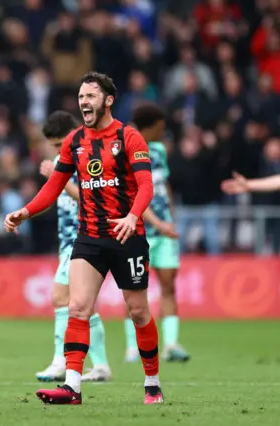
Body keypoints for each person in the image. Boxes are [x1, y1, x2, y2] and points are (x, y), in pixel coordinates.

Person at [5, 71, 163, 405]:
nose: (83, 102)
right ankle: (72, 387)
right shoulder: (74, 140)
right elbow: (54, 186)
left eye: (90, 96)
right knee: (78, 306)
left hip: (127, 236)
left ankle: (152, 382)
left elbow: (146, 185)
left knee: (138, 311)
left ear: (108, 100)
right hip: (89, 237)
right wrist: (26, 211)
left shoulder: (129, 137)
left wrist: (133, 216)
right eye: (80, 97)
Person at [36, 111, 112, 383]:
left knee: (60, 298)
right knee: (84, 307)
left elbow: (90, 198)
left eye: (59, 144)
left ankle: (60, 361)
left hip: (82, 238)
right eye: (54, 146)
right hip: (68, 239)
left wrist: (58, 180)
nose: (57, 150)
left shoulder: (85, 158)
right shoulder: (64, 159)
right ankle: (101, 365)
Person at [125, 103, 190, 363]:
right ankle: (133, 347)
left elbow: (163, 187)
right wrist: (159, 224)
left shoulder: (160, 150)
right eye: (161, 127)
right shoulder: (128, 150)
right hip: (139, 229)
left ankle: (171, 344)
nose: (164, 132)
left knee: (168, 284)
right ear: (149, 127)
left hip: (164, 230)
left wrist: (170, 218)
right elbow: (135, 195)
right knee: (133, 289)